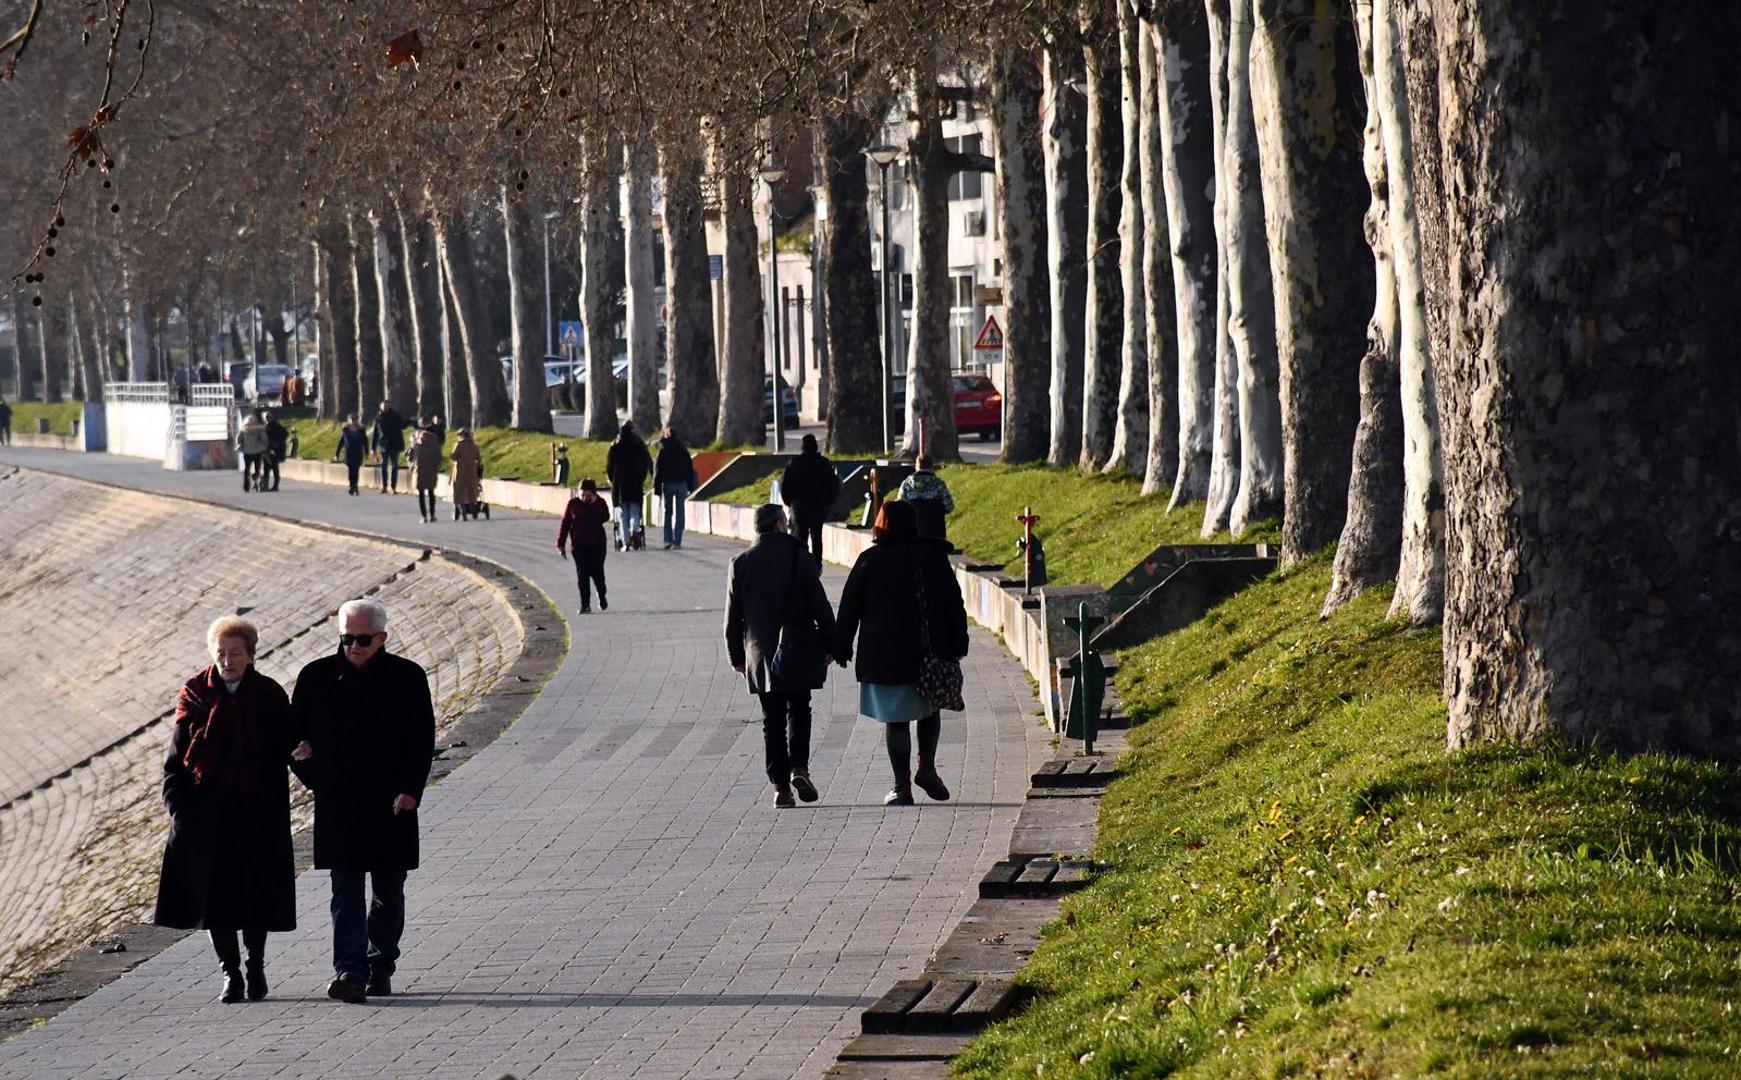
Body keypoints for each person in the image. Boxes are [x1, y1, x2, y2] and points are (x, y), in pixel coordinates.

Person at [289, 599, 435, 1004]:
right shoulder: (316, 676)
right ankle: (350, 972)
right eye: (347, 638)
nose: (353, 646)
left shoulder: (407, 677)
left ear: (382, 638)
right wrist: (316, 779)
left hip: (392, 803)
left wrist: (410, 790)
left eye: (363, 639)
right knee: (345, 891)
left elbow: (422, 740)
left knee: (389, 891)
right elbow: (292, 738)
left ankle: (380, 965)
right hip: (340, 803)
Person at [153, 616, 297, 1004]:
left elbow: (288, 745)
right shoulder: (195, 694)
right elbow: (176, 760)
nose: (228, 661)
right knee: (215, 902)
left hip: (256, 813)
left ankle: (255, 966)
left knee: (254, 897)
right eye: (221, 653)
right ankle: (230, 974)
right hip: (207, 815)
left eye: (236, 653)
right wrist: (178, 810)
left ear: (250, 655)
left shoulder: (268, 695)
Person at [835, 500, 968, 806]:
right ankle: (927, 767)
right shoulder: (933, 557)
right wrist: (959, 643)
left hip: (887, 657)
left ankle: (901, 786)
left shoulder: (870, 560)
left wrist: (840, 647)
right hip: (930, 652)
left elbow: (849, 608)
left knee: (896, 721)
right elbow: (954, 603)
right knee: (930, 709)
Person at [726, 504, 837, 808]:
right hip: (797, 646)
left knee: (771, 720)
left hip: (760, 651)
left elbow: (733, 617)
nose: (787, 526)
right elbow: (819, 603)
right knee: (800, 709)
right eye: (785, 522)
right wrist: (833, 644)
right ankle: (799, 767)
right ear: (777, 525)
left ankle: (780, 789)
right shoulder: (799, 556)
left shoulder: (740, 562)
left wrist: (736, 656)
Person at [780, 433, 842, 569]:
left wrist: (790, 503)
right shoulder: (823, 463)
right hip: (818, 506)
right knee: (817, 536)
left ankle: (801, 565)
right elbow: (833, 485)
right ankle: (816, 566)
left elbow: (785, 486)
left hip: (799, 507)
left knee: (800, 536)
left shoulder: (795, 463)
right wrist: (828, 502)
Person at [557, 478, 612, 613]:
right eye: (582, 495)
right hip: (578, 546)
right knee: (582, 575)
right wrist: (561, 544)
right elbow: (565, 523)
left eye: (587, 495)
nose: (584, 498)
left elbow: (605, 517)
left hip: (597, 545)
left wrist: (594, 504)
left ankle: (601, 594)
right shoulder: (573, 504)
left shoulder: (600, 503)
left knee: (597, 573)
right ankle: (585, 605)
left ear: (593, 494)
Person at [605, 420, 654, 551]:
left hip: (619, 486)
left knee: (622, 515)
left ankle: (626, 542)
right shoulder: (638, 447)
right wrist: (641, 478)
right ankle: (634, 529)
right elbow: (644, 465)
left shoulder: (614, 448)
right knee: (634, 511)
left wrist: (612, 480)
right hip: (635, 484)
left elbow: (609, 468)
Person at [653, 427, 698, 550]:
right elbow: (689, 468)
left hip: (668, 484)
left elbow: (658, 470)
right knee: (680, 512)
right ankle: (677, 541)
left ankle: (668, 539)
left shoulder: (663, 450)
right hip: (681, 484)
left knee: (668, 512)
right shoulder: (683, 450)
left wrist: (657, 487)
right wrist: (690, 485)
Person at [896, 455, 955, 541]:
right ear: (932, 466)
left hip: (913, 531)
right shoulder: (939, 484)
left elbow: (899, 507)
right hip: (936, 532)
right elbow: (949, 506)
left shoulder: (907, 484)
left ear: (916, 466)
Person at [371, 400, 408, 494]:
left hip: (395, 444)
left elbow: (403, 425)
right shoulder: (378, 419)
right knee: (384, 465)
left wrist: (411, 422)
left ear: (390, 406)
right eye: (384, 406)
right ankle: (384, 486)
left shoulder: (396, 416)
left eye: (387, 406)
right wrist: (373, 449)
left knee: (395, 466)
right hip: (384, 445)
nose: (385, 408)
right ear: (381, 407)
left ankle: (393, 487)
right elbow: (376, 434)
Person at [410, 423, 443, 523]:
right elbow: (439, 458)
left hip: (419, 471)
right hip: (431, 470)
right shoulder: (435, 444)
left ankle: (424, 516)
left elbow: (410, 456)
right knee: (431, 492)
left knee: (421, 494)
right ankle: (432, 515)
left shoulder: (417, 443)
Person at [450, 427, 482, 517]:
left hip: (460, 472)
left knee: (459, 491)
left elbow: (453, 457)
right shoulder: (474, 446)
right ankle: (472, 506)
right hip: (472, 472)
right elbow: (479, 459)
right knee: (471, 490)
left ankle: (462, 509)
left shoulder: (459, 445)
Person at [235, 410, 269, 493]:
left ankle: (246, 485)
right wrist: (265, 446)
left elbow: (238, 439)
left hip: (247, 452)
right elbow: (264, 439)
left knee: (247, 468)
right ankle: (256, 480)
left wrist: (240, 445)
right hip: (257, 451)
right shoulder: (259, 430)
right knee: (257, 468)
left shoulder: (243, 431)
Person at [335, 414, 368, 496]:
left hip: (358, 453)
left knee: (356, 470)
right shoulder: (345, 430)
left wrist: (367, 452)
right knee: (351, 471)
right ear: (349, 420)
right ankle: (352, 486)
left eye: (355, 419)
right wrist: (337, 453)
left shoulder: (361, 430)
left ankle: (355, 487)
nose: (354, 421)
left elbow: (365, 442)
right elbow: (341, 442)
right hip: (349, 453)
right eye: (352, 419)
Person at [262, 410, 288, 492]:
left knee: (274, 468)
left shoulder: (276, 426)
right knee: (266, 468)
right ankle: (265, 486)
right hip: (266, 450)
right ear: (263, 418)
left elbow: (284, 434)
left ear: (272, 417)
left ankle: (275, 486)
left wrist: (277, 444)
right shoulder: (264, 427)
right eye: (266, 417)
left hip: (274, 451)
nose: (268, 418)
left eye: (269, 417)